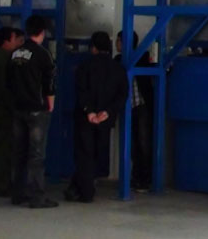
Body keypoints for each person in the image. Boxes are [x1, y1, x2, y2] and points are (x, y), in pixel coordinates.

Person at [65, 31, 128, 203]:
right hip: (105, 119)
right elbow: (122, 94)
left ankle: (85, 191)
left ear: (93, 47)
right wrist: (107, 112)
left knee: (84, 154)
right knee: (97, 153)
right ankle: (82, 185)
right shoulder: (118, 68)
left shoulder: (85, 66)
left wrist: (89, 111)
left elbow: (81, 91)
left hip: (85, 118)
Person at [9, 15, 57, 208]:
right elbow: (49, 82)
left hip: (17, 108)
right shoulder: (43, 54)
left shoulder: (15, 53)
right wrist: (50, 103)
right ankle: (37, 197)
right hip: (36, 110)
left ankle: (17, 194)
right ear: (42, 32)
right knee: (36, 155)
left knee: (19, 152)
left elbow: (8, 81)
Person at [115, 31, 154, 192]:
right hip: (128, 106)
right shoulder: (118, 60)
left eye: (119, 40)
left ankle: (145, 178)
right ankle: (136, 177)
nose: (116, 43)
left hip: (141, 105)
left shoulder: (142, 57)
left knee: (143, 144)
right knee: (132, 145)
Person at [0, 27, 24, 197]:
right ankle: (1, 185)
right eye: (16, 39)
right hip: (4, 111)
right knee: (3, 148)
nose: (18, 43)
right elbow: (5, 88)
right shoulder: (4, 59)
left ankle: (0, 183)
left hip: (0, 109)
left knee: (2, 147)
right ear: (7, 40)